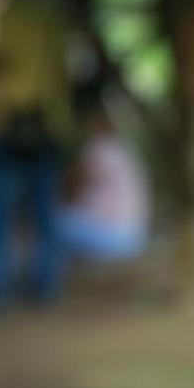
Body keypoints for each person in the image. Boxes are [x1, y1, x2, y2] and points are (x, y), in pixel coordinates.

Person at [0, 0, 73, 308]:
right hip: (49, 125)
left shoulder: (10, 16)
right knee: (45, 214)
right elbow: (63, 75)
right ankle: (47, 288)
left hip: (10, 125)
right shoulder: (52, 18)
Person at [58, 92, 150, 262]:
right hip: (136, 236)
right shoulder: (123, 148)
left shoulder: (99, 149)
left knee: (52, 222)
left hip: (117, 239)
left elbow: (74, 184)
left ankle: (45, 280)